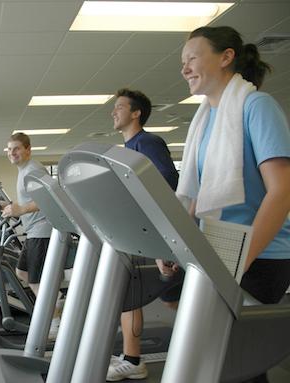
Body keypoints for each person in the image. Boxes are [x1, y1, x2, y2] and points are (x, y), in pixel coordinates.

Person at [177, 26, 290, 383]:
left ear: (227, 57)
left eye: (192, 57)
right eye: (183, 62)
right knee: (215, 361)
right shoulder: (206, 121)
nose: (185, 68)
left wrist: (241, 259)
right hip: (220, 251)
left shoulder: (256, 106)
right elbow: (198, 195)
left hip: (262, 255)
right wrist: (174, 240)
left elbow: (283, 191)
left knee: (234, 366)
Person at [107, 88, 182, 381]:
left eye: (120, 107)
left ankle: (133, 360)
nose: (113, 112)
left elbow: (167, 180)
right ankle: (131, 357)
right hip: (139, 230)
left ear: (136, 113)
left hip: (154, 230)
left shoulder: (146, 142)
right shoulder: (127, 149)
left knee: (137, 295)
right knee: (162, 298)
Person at [1, 133, 63, 337]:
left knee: (36, 281)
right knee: (22, 273)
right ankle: (57, 299)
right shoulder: (24, 170)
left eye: (16, 148)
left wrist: (19, 210)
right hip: (34, 232)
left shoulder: (33, 169)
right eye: (10, 149)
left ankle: (55, 322)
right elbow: (31, 201)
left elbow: (49, 199)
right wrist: (9, 207)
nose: (12, 153)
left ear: (28, 149)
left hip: (42, 231)